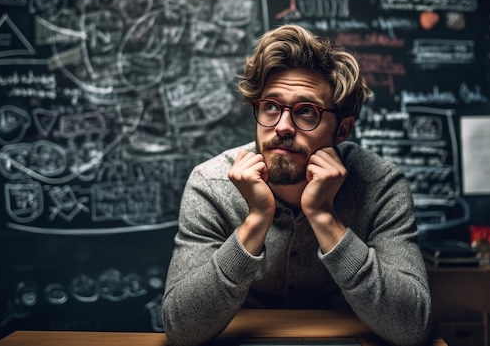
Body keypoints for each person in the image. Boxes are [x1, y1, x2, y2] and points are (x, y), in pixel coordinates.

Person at [162, 24, 432, 346]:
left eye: (306, 112)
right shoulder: (212, 184)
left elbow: (412, 326)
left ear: (343, 130)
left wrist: (324, 218)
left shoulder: (380, 187)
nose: (283, 127)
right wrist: (256, 220)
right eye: (271, 107)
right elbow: (180, 329)